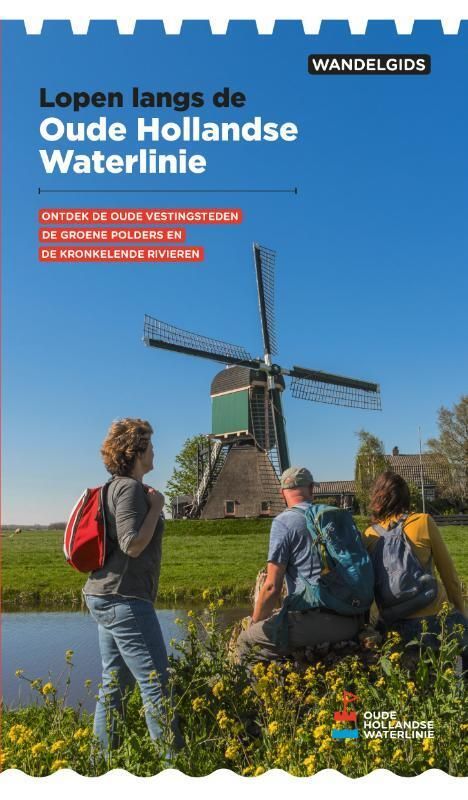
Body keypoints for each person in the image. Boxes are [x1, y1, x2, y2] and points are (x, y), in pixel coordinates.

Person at [83, 418, 179, 752]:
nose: (155, 451)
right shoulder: (128, 489)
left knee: (115, 682)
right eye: (150, 445)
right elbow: (132, 544)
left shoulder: (115, 487)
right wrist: (157, 507)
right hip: (125, 599)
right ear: (136, 450)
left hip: (107, 595)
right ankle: (175, 767)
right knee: (156, 684)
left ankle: (102, 763)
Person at [236, 466, 364, 663]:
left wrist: (254, 624)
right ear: (311, 488)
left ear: (282, 493)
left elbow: (271, 586)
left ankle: (260, 693)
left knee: (246, 642)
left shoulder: (284, 522)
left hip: (317, 620)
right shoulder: (335, 517)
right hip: (353, 618)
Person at [363, 471, 467, 667]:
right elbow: (450, 577)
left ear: (377, 498)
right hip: (435, 619)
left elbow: (369, 587)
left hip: (395, 626)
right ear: (405, 496)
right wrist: (461, 616)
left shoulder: (368, 534)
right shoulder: (422, 521)